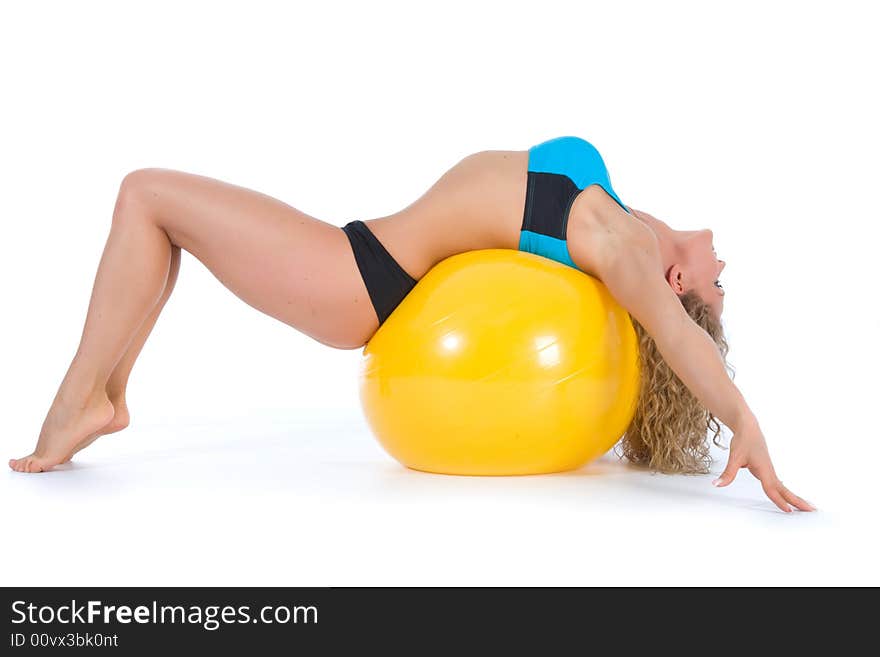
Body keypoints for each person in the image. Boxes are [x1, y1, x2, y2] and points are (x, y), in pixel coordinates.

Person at [8, 136, 814, 513]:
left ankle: (75, 408)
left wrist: (741, 417)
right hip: (364, 260)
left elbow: (675, 336)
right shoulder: (623, 212)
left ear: (677, 284)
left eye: (718, 287)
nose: (722, 269)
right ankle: (104, 396)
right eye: (723, 283)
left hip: (362, 282)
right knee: (151, 201)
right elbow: (677, 325)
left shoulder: (627, 248)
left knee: (146, 195)